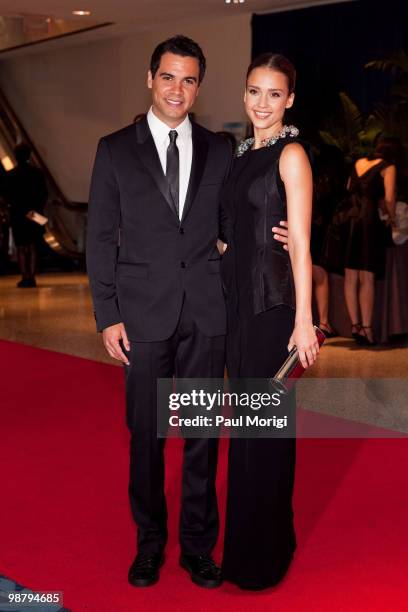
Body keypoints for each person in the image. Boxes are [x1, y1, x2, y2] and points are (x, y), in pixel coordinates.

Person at [86, 35, 291, 589]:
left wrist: (286, 240)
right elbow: (100, 237)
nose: (178, 89)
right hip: (142, 319)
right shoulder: (114, 149)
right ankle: (149, 545)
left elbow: (236, 226)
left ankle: (198, 547)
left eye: (190, 79)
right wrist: (108, 315)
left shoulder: (221, 149)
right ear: (150, 78)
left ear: (199, 85)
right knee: (146, 439)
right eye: (169, 77)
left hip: (205, 314)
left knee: (201, 435)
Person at [220, 53, 319, 590]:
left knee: (266, 432)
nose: (262, 104)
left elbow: (300, 242)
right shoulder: (240, 155)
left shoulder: (293, 154)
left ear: (290, 100)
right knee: (248, 431)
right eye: (254, 91)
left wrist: (304, 320)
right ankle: (248, 549)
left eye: (273, 94)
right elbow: (230, 233)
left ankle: (268, 553)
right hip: (238, 310)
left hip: (273, 310)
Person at [343, 137, 398, 345]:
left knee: (350, 275)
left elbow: (349, 187)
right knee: (366, 277)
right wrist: (392, 219)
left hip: (350, 218)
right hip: (368, 220)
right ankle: (367, 329)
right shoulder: (388, 167)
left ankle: (354, 325)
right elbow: (390, 198)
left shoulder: (358, 162)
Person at [311, 145, 346, 337]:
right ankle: (323, 322)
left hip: (311, 230)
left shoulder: (312, 176)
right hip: (323, 232)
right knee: (320, 275)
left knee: (316, 274)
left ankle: (322, 322)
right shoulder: (337, 181)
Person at [3, 143, 48, 287]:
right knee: (33, 246)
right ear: (29, 155)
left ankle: (25, 276)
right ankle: (33, 277)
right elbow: (43, 194)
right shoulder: (37, 173)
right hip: (34, 214)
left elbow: (7, 196)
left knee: (21, 247)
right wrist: (33, 210)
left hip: (18, 214)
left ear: (16, 156)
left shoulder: (11, 175)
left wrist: (20, 210)